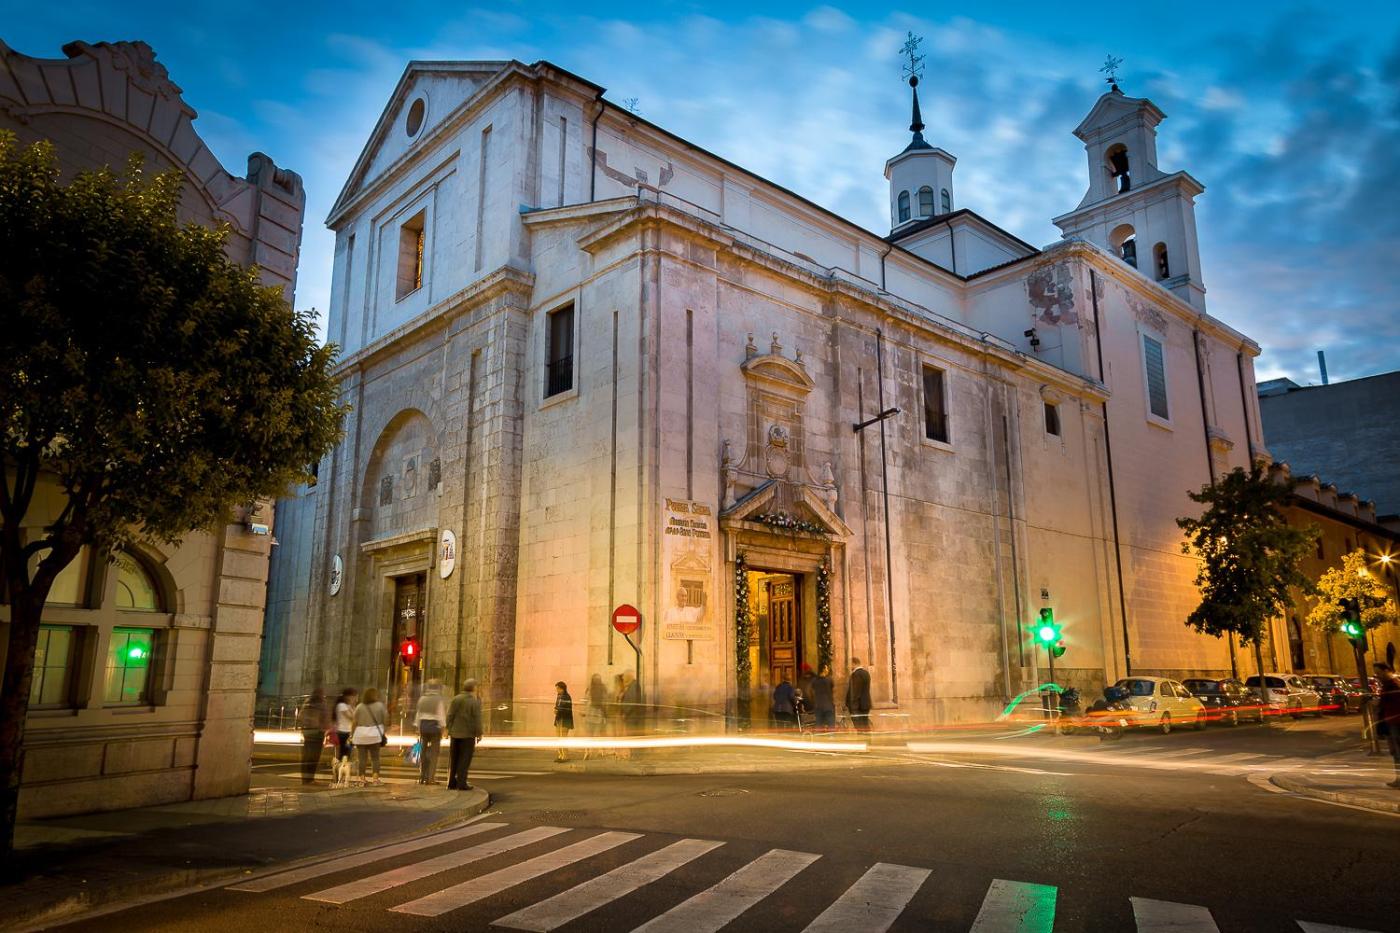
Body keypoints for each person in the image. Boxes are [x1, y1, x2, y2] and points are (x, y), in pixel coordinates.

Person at [446, 679, 484, 790]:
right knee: (464, 759)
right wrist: (479, 733)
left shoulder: (456, 699)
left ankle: (451, 782)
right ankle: (461, 783)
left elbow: (450, 715)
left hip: (455, 734)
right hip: (468, 735)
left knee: (454, 758)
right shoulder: (474, 701)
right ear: (474, 688)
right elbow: (477, 719)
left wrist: (447, 728)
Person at [351, 687, 388, 786]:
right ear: (375, 695)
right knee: (375, 758)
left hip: (360, 735)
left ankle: (362, 779)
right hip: (374, 735)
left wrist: (351, 734)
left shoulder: (360, 706)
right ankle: (375, 779)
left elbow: (354, 721)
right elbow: (385, 719)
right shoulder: (380, 706)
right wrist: (384, 730)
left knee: (362, 758)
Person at [415, 679, 447, 784]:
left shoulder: (422, 699)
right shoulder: (439, 699)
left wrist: (418, 729)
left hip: (423, 727)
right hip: (434, 728)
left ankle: (422, 776)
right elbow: (441, 716)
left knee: (423, 753)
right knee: (434, 754)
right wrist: (443, 729)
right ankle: (430, 778)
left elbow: (418, 715)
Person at [1375, 662, 1400, 789]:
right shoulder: (1388, 685)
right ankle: (1398, 779)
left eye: (1379, 673)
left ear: (1386, 671)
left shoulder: (1393, 684)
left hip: (1397, 723)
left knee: (1398, 752)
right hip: (1391, 723)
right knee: (1394, 752)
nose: (1377, 675)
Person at [299, 688, 331, 784]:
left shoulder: (307, 702)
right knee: (314, 757)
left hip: (307, 732)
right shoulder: (322, 704)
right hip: (317, 733)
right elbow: (326, 718)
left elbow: (300, 716)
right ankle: (310, 779)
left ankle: (304, 779)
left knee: (305, 756)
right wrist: (326, 730)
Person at [584, 674, 608, 760]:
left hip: (590, 715)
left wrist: (584, 711)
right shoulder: (603, 689)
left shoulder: (589, 688)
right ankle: (601, 751)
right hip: (599, 716)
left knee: (589, 735)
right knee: (599, 735)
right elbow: (605, 702)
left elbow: (585, 700)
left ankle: (587, 751)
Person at [845, 658, 872, 732]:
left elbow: (855, 692)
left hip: (858, 707)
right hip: (865, 704)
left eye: (850, 665)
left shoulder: (856, 674)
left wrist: (851, 706)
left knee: (860, 728)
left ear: (854, 663)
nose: (850, 667)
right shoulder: (866, 673)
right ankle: (867, 742)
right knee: (865, 726)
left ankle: (865, 742)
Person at [332, 687, 357, 763]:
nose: (355, 698)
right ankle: (339, 772)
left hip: (349, 732)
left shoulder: (349, 706)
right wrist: (353, 707)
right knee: (344, 754)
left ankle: (342, 771)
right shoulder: (341, 705)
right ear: (348, 696)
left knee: (347, 754)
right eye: (354, 696)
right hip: (342, 732)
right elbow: (352, 718)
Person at [810, 663, 836, 730]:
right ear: (823, 669)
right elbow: (833, 691)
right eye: (827, 668)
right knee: (831, 727)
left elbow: (811, 692)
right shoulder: (829, 680)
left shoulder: (814, 681)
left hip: (818, 706)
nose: (828, 670)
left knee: (819, 727)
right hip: (828, 707)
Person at [554, 681, 574, 762]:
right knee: (559, 738)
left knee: (563, 738)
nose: (557, 690)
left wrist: (558, 710)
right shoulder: (559, 696)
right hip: (559, 719)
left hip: (565, 720)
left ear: (562, 689)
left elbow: (566, 709)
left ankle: (565, 756)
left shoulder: (566, 697)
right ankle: (561, 755)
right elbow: (557, 706)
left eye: (558, 688)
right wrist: (555, 709)